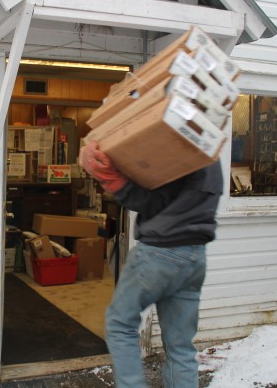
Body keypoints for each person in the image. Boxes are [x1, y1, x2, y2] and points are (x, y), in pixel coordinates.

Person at [79, 140, 223, 388]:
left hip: (160, 252)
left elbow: (152, 202)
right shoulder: (211, 145)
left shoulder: (173, 140)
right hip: (194, 256)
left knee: (119, 323)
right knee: (180, 348)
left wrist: (109, 177)